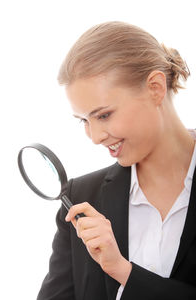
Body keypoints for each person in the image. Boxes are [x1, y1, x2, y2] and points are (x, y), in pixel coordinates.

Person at [37, 21, 196, 300]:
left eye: (104, 115)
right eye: (84, 121)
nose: (95, 137)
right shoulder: (80, 200)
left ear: (156, 88)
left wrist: (123, 271)